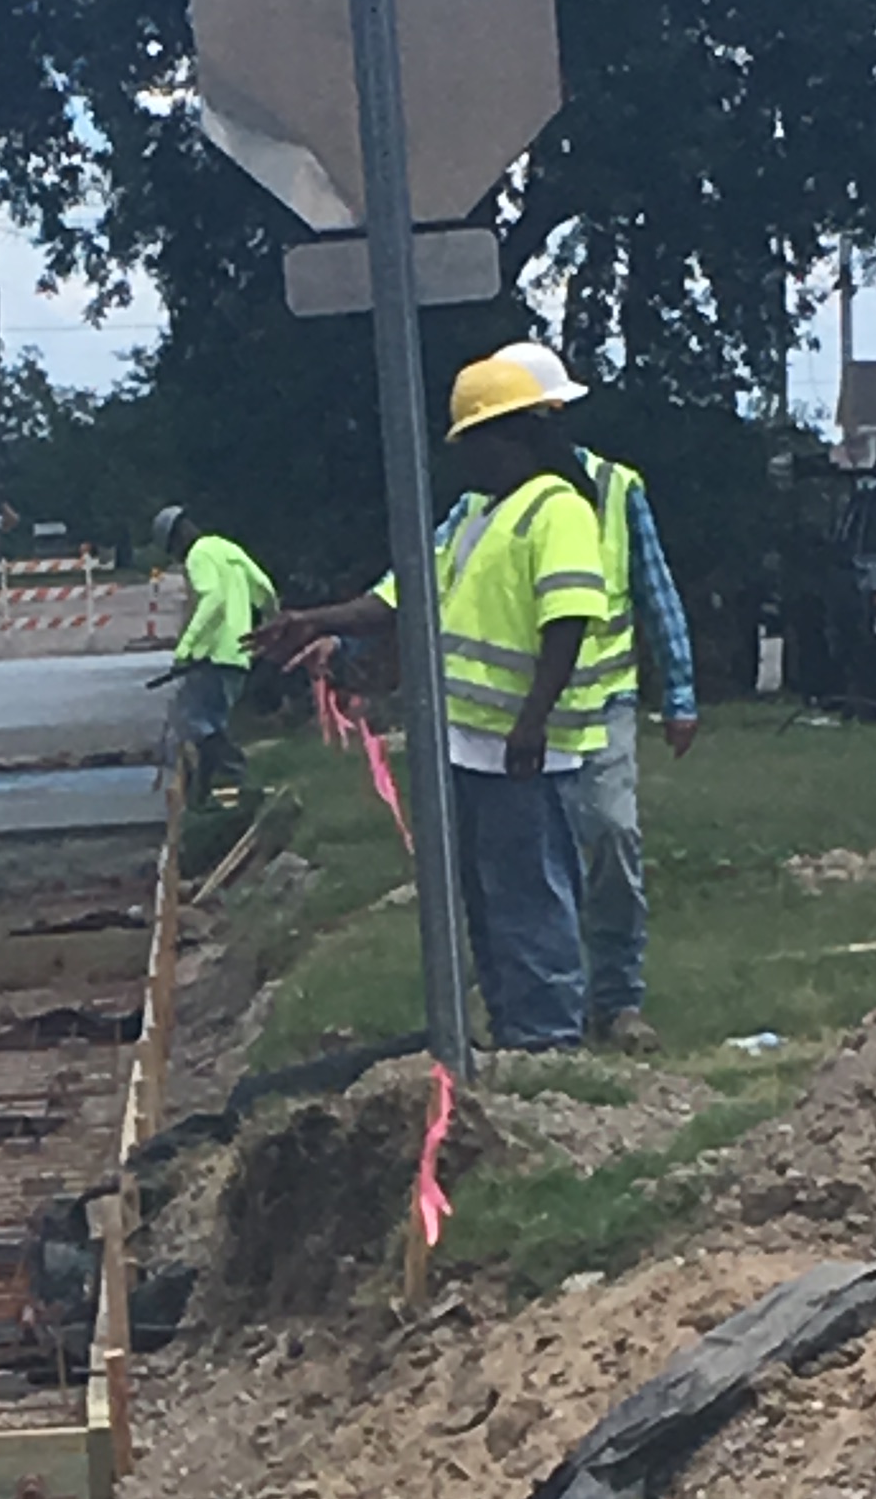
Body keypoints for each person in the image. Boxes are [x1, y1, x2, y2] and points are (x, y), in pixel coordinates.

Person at [256, 342, 694, 1052]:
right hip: (471, 744)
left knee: (532, 896)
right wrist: (319, 622)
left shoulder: (557, 510)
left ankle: (550, 1037)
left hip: (524, 747)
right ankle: (515, 1024)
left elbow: (567, 623)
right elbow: (401, 599)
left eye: (478, 442)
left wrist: (533, 722)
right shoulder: (474, 517)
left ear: (518, 436)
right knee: (492, 901)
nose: (467, 458)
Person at [146, 502, 278, 806]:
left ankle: (237, 774)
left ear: (175, 539)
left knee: (193, 721)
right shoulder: (225, 547)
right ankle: (201, 796)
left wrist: (186, 647)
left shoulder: (198, 555)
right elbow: (264, 587)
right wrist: (273, 624)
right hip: (238, 656)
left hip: (211, 656)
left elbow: (213, 599)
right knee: (209, 725)